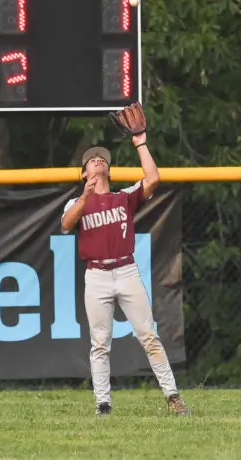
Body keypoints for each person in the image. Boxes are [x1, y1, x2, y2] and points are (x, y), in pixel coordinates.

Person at [61, 131, 191, 417]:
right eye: (91, 160)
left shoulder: (123, 198)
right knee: (99, 343)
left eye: (102, 159)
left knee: (149, 336)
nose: (98, 160)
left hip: (126, 270)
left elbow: (153, 179)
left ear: (109, 171)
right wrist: (85, 196)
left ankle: (173, 396)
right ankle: (103, 405)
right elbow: (66, 224)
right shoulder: (77, 203)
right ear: (84, 174)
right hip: (96, 274)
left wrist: (140, 143)